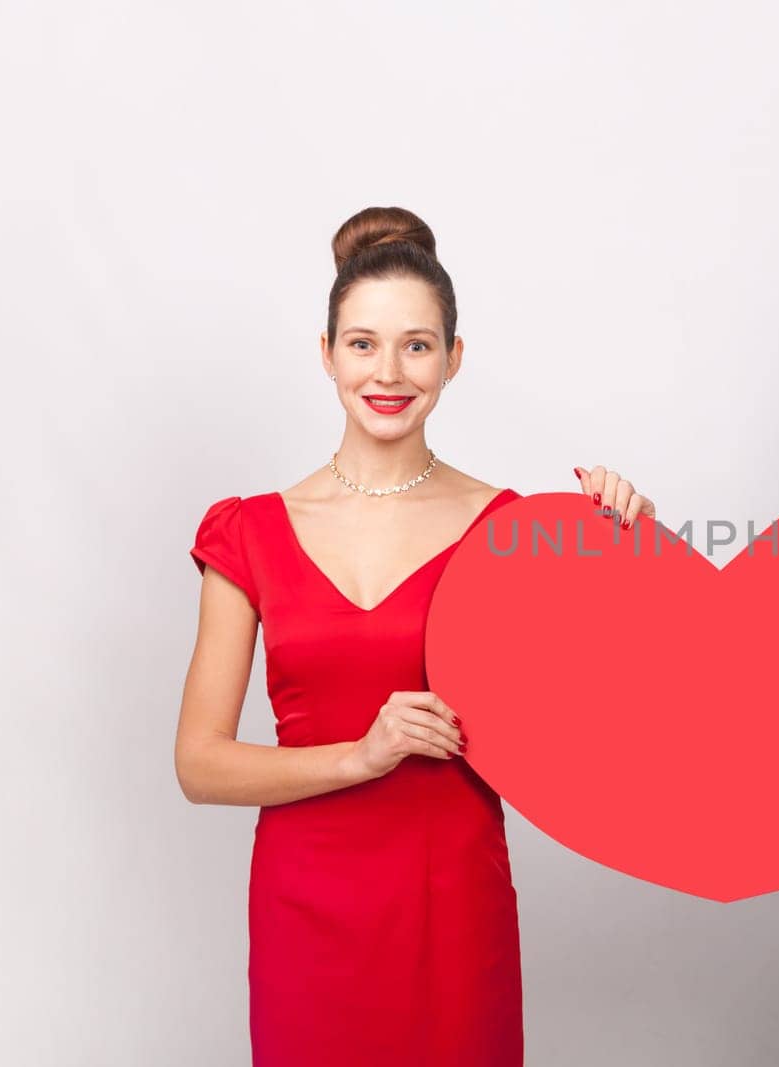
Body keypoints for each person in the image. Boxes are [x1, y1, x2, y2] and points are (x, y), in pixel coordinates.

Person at [174, 206, 654, 1066]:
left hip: (449, 902)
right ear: (325, 355)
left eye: (417, 345)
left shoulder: (508, 529)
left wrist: (627, 559)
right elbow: (200, 763)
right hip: (304, 911)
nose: (388, 372)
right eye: (362, 344)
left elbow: (606, 723)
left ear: (453, 358)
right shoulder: (247, 531)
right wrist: (361, 754)